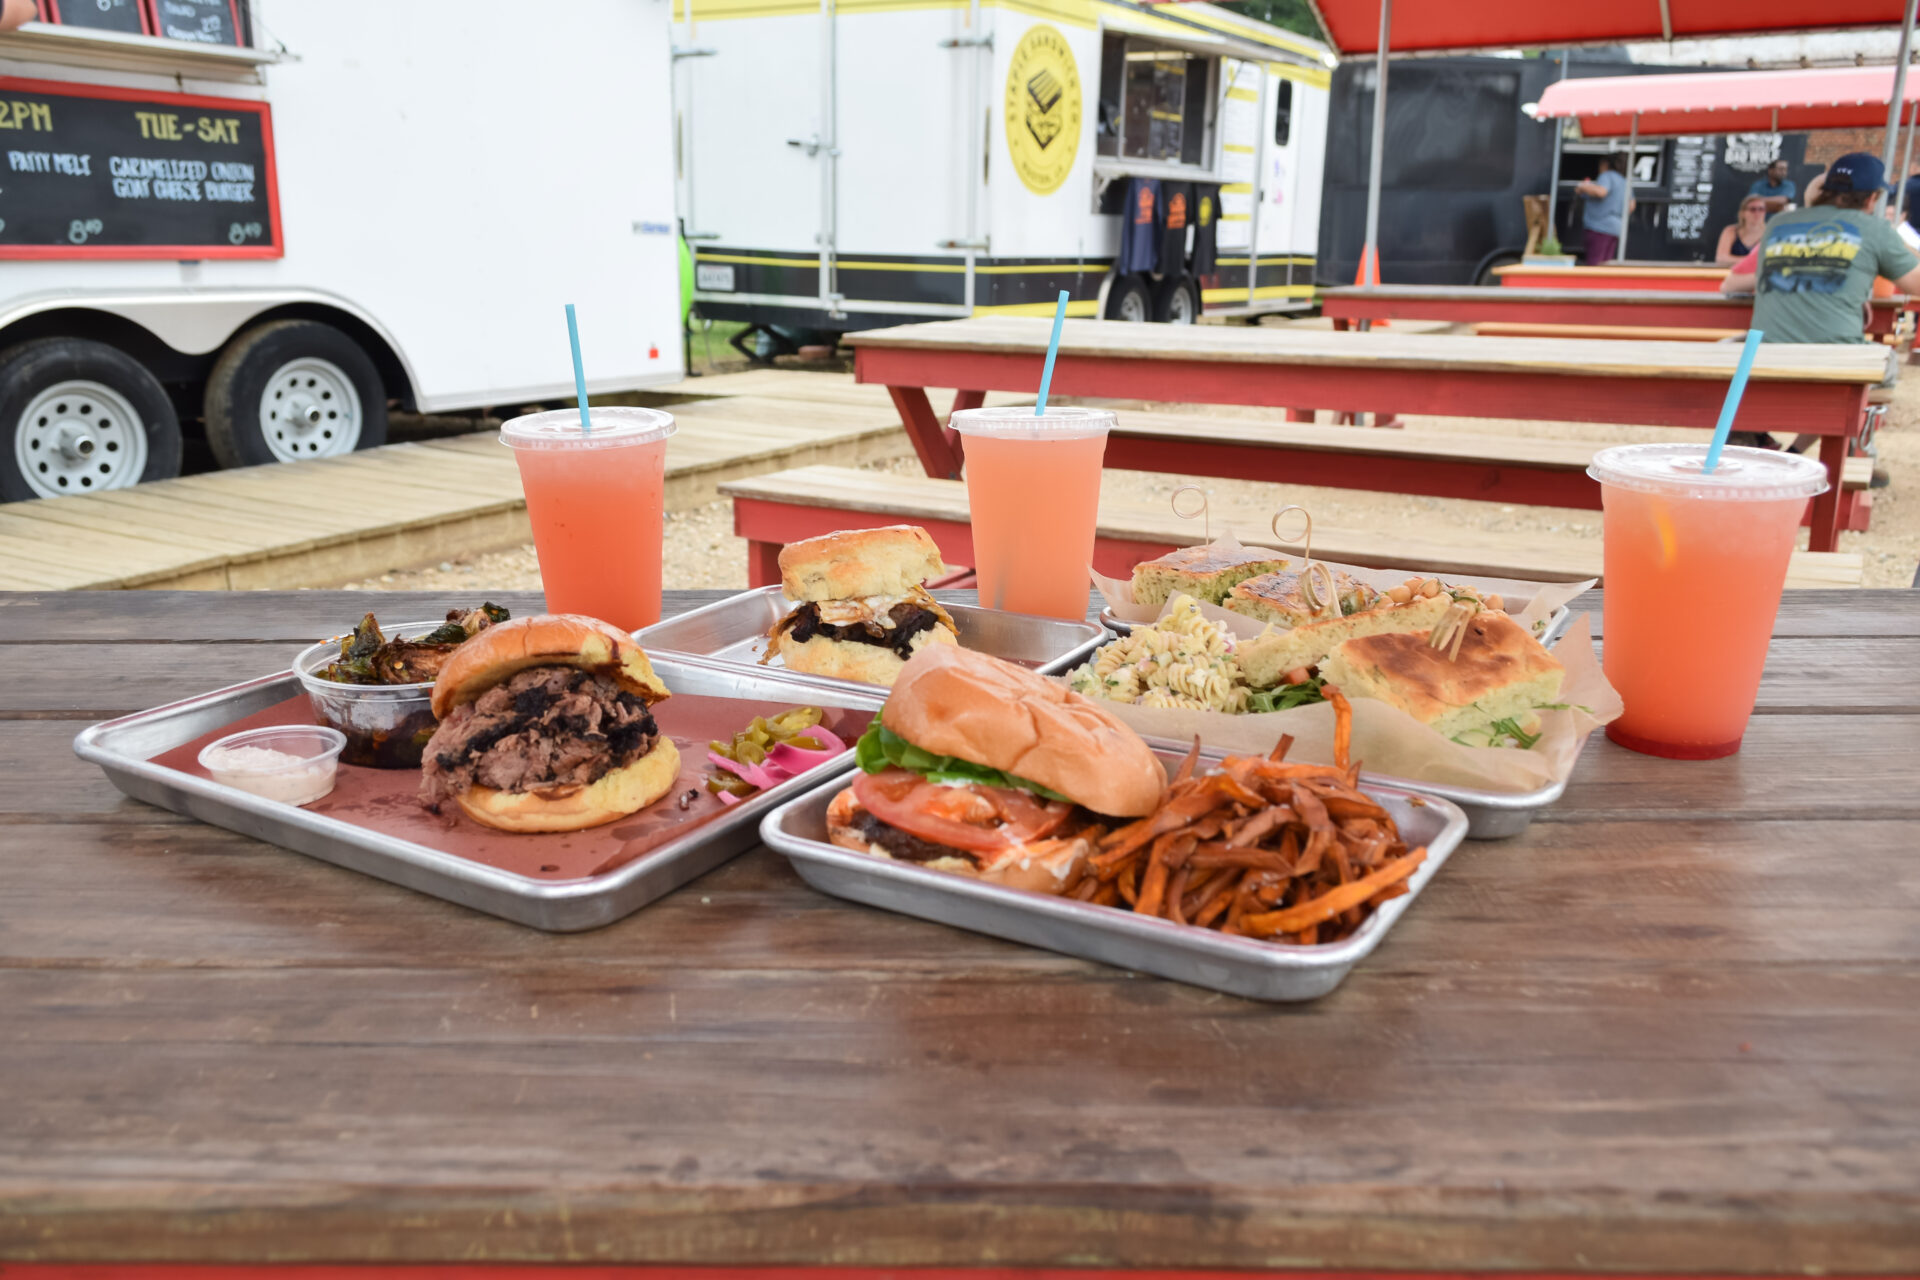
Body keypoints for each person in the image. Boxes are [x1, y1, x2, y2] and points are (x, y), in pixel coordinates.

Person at [1724, 151, 1920, 461]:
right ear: (1872, 198)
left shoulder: (1780, 224)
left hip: (1765, 359)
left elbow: (1757, 279)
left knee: (1837, 371)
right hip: (1833, 365)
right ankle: (1826, 452)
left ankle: (1764, 439)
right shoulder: (1874, 230)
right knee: (1882, 365)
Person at [1571, 154, 1632, 266]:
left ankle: (1591, 284)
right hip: (1616, 228)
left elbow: (1601, 191)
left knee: (1594, 264)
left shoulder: (1607, 176)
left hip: (1599, 227)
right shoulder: (1624, 181)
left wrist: (1583, 186)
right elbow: (1631, 205)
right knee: (1605, 265)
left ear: (1605, 164)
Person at [1715, 195, 1769, 265]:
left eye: (1761, 209)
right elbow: (1721, 258)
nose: (1757, 213)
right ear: (1743, 213)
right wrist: (1751, 261)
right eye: (1753, 209)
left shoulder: (1771, 233)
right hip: (1733, 274)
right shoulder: (1731, 231)